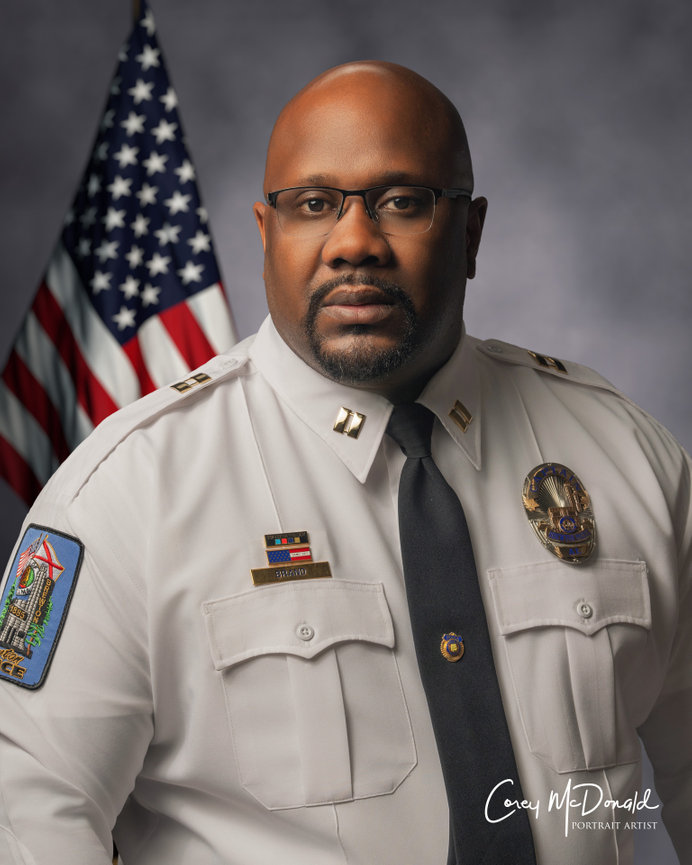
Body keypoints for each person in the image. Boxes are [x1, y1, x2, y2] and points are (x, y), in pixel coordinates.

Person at [0, 60, 689, 865]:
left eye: (403, 200)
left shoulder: (624, 455)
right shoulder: (127, 494)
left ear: (470, 234)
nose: (355, 242)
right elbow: (27, 815)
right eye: (314, 205)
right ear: (267, 234)